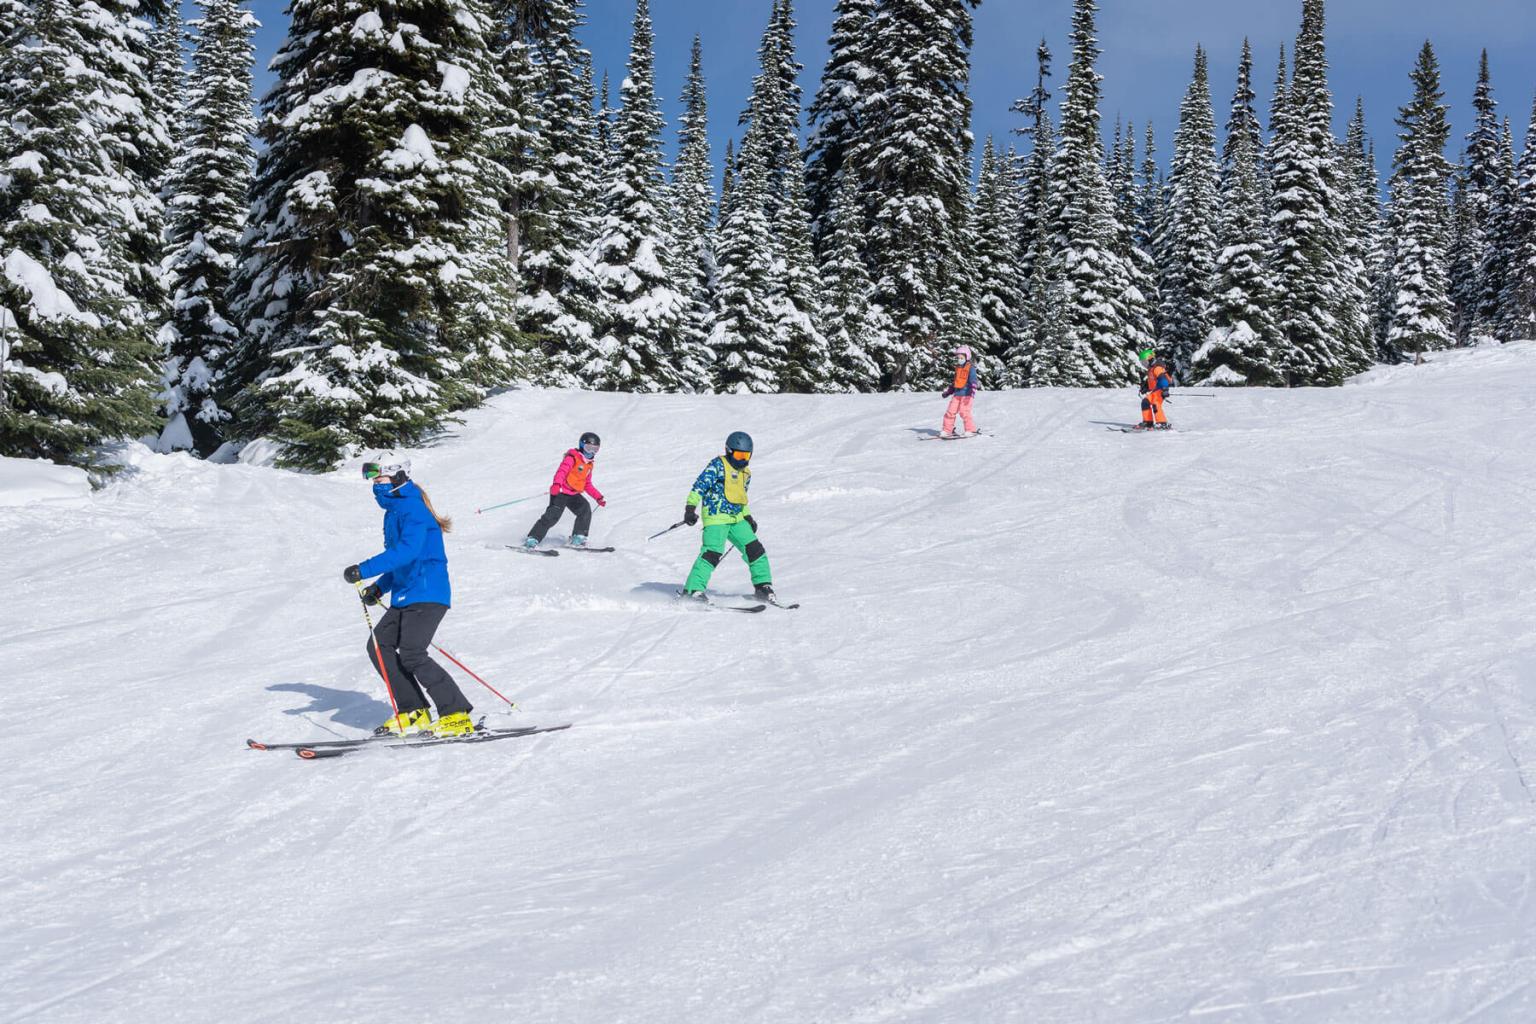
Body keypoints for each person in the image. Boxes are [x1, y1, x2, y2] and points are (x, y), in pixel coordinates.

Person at [343, 457, 475, 738]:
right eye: (372, 477)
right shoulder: (394, 511)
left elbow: (407, 552)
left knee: (413, 653)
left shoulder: (412, 507)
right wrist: (380, 587)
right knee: (379, 646)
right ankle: (413, 711)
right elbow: (401, 562)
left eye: (379, 477)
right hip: (406, 594)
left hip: (428, 593)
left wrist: (364, 570)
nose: (374, 482)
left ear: (398, 476)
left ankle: (456, 714)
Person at [680, 431, 775, 602]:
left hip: (737, 518)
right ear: (729, 451)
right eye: (739, 455)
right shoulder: (717, 465)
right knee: (712, 552)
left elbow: (741, 497)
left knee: (755, 550)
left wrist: (748, 517)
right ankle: (692, 590)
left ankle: (763, 586)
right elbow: (699, 486)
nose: (742, 460)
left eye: (746, 455)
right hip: (716, 517)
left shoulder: (746, 473)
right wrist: (690, 508)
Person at [523, 432, 606, 549]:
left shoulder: (589, 465)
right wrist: (556, 484)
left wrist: (598, 497)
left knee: (585, 509)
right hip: (561, 491)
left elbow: (587, 484)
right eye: (589, 448)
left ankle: (578, 537)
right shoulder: (572, 458)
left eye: (595, 450)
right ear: (582, 446)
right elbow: (561, 472)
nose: (591, 452)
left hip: (573, 494)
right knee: (552, 517)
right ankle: (532, 539)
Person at [941, 345, 979, 438]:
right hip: (957, 395)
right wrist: (948, 392)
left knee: (964, 412)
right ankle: (947, 430)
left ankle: (971, 430)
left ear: (967, 357)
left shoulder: (970, 368)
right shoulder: (958, 368)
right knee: (950, 412)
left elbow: (973, 381)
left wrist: (972, 392)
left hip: (967, 394)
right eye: (958, 358)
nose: (959, 359)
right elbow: (955, 382)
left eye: (961, 357)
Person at [1137, 348, 1173, 430]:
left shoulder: (1157, 368)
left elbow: (1162, 378)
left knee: (1156, 403)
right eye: (1142, 362)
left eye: (1145, 362)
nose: (1144, 364)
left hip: (1161, 389)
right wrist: (1145, 387)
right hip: (1155, 390)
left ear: (1151, 359)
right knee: (1145, 402)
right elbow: (1152, 381)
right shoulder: (1151, 369)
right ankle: (1148, 422)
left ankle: (1162, 423)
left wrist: (1165, 389)